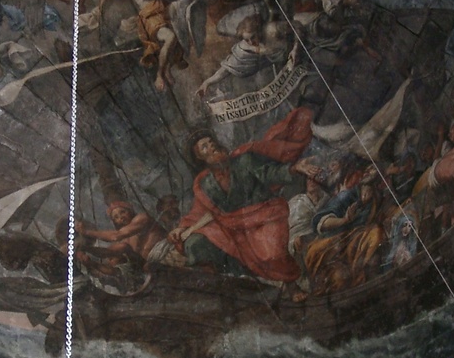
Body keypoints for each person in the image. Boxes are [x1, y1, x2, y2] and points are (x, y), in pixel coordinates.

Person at [169, 108, 320, 283]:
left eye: (211, 142)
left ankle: (293, 284)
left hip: (264, 216)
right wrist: (181, 228)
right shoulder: (204, 183)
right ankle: (223, 285)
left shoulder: (244, 160)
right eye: (205, 147)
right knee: (195, 244)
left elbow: (270, 173)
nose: (211, 146)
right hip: (234, 228)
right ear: (199, 157)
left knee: (271, 254)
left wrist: (294, 168)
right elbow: (198, 211)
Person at [77, 200, 167, 264]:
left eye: (123, 212)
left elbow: (115, 236)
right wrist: (85, 248)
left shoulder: (141, 218)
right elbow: (108, 252)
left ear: (130, 211)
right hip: (157, 264)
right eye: (116, 217)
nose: (121, 217)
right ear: (115, 222)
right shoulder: (125, 240)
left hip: (167, 251)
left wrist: (86, 232)